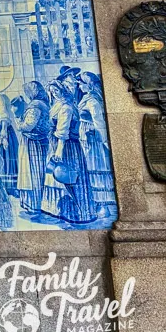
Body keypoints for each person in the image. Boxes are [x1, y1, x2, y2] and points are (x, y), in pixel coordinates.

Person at [41, 80, 96, 225]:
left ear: (63, 90)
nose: (54, 93)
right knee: (58, 177)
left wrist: (59, 150)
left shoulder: (66, 107)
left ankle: (77, 213)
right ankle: (61, 211)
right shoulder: (57, 104)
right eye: (52, 91)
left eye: (56, 90)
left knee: (67, 176)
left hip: (67, 147)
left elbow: (63, 131)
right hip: (58, 144)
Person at [77, 71, 115, 218]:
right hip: (85, 138)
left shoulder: (93, 101)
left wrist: (104, 141)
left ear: (89, 86)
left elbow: (99, 122)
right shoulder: (86, 98)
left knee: (96, 169)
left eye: (81, 84)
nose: (79, 86)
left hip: (93, 140)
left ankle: (103, 206)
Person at [16, 81, 51, 217]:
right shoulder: (44, 104)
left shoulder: (35, 106)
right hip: (40, 140)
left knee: (33, 173)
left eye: (27, 91)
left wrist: (19, 123)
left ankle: (34, 205)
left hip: (32, 142)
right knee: (37, 172)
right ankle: (37, 204)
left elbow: (28, 125)